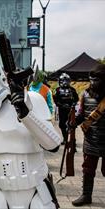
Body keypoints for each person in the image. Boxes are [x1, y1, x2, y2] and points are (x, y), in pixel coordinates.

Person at [0, 58, 61, 209]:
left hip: (37, 192)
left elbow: (53, 145)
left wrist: (26, 114)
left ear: (1, 79)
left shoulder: (32, 99)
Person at [71, 64, 105, 207]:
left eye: (96, 79)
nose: (93, 82)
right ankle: (86, 196)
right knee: (88, 169)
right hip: (91, 139)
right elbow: (80, 115)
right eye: (91, 79)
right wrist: (72, 123)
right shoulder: (85, 94)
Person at [53, 73, 79, 145]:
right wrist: (61, 105)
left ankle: (73, 141)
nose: (65, 82)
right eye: (63, 80)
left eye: (66, 80)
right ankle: (65, 139)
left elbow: (76, 99)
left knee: (72, 125)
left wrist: (73, 104)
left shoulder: (72, 90)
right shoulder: (57, 90)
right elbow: (55, 100)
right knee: (62, 125)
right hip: (62, 110)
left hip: (71, 110)